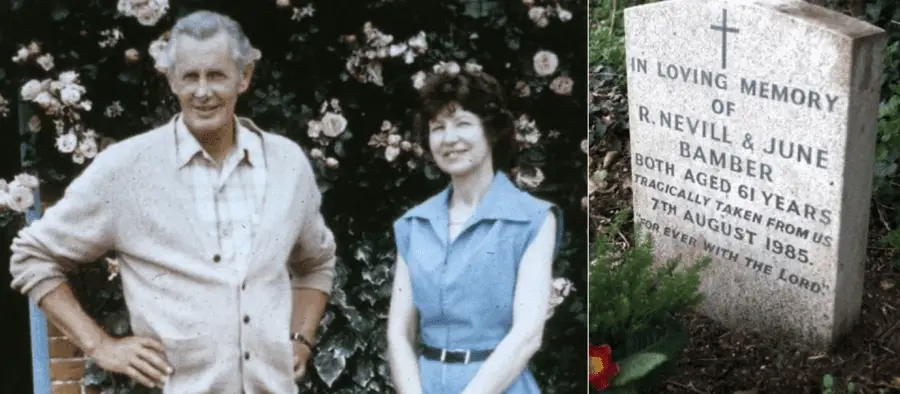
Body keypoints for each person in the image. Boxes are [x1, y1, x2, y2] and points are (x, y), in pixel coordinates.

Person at [8, 10, 336, 394]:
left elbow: (316, 262)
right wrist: (100, 346)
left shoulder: (287, 164)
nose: (202, 91)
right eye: (189, 77)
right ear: (171, 80)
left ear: (243, 77)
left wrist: (301, 336)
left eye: (216, 75)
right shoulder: (126, 169)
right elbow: (32, 255)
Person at [386, 63, 562, 394]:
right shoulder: (414, 225)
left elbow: (527, 334)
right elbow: (398, 331)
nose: (449, 139)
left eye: (463, 123)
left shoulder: (533, 219)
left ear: (491, 131)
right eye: (438, 127)